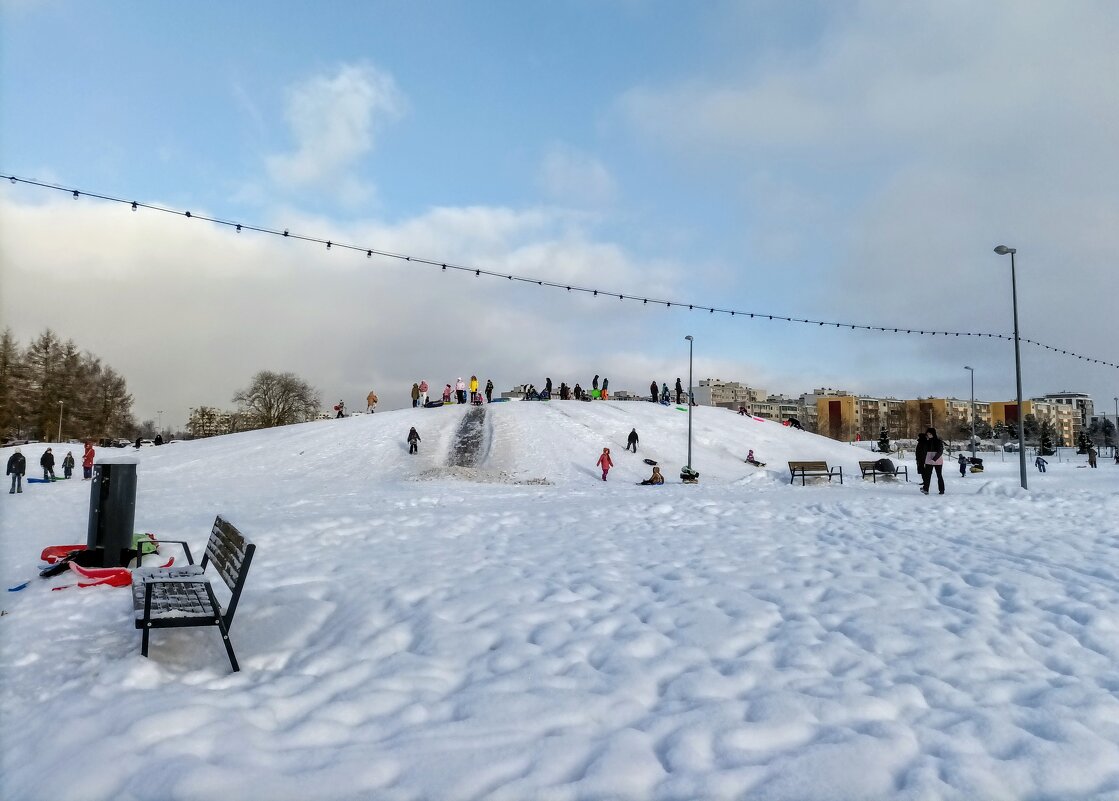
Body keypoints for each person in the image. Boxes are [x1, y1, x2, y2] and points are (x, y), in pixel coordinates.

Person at [921, 427, 945, 495]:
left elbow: (940, 451)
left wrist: (934, 459)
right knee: (927, 475)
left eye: (930, 434)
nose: (929, 435)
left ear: (933, 434)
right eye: (928, 434)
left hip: (937, 459)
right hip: (929, 459)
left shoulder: (938, 441)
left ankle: (941, 490)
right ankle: (926, 489)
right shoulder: (927, 441)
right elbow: (924, 451)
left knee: (939, 475)